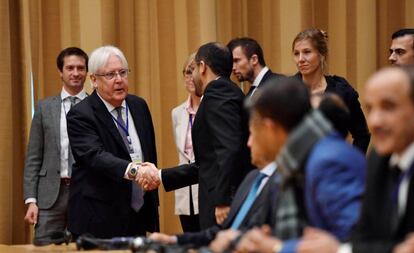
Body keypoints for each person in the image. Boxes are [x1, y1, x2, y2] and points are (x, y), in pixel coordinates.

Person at [212, 77, 366, 253]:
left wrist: (277, 247)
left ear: (270, 128)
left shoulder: (329, 161)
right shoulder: (297, 160)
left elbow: (354, 243)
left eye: (254, 131)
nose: (250, 142)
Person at [297, 66, 414, 253]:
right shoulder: (379, 159)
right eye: (370, 109)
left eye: (389, 107)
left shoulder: (332, 159)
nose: (375, 121)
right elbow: (362, 237)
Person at [139, 42, 253, 230]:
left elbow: (229, 149)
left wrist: (223, 200)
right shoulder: (225, 92)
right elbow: (207, 163)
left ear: (202, 67)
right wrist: (160, 176)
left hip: (223, 204)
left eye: (192, 70)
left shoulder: (218, 93)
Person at [149, 88, 281, 246]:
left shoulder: (285, 185)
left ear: (271, 130)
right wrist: (173, 240)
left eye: (253, 134)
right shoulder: (251, 180)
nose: (249, 143)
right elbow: (220, 232)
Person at [66, 45, 159, 238]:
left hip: (138, 212)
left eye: (122, 73)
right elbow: (95, 157)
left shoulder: (139, 105)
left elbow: (149, 151)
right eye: (110, 75)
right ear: (93, 80)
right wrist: (137, 171)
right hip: (100, 216)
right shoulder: (81, 114)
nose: (119, 80)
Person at [23, 47, 88, 245]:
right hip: (50, 196)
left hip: (86, 194)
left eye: (80, 68)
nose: (75, 73)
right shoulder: (44, 107)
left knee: (87, 248)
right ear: (61, 71)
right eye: (70, 68)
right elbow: (34, 157)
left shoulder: (97, 106)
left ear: (87, 71)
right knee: (44, 248)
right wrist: (31, 200)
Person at [291, 28, 370, 153]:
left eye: (307, 52)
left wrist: (350, 164)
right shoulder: (287, 90)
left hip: (332, 165)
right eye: (296, 53)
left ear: (321, 55)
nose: (300, 59)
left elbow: (362, 135)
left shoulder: (342, 91)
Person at [171, 53, 201, 232]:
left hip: (206, 192)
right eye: (187, 72)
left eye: (195, 71)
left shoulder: (213, 108)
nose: (191, 77)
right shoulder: (177, 112)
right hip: (184, 192)